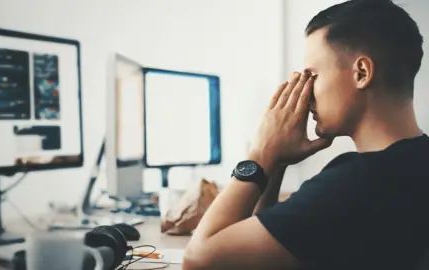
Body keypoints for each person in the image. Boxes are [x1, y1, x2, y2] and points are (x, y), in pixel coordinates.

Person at [182, 0, 429, 269]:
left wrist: (260, 154)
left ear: (361, 73)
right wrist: (275, 162)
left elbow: (199, 260)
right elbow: (263, 248)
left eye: (312, 76)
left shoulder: (357, 183)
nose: (306, 93)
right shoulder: (412, 163)